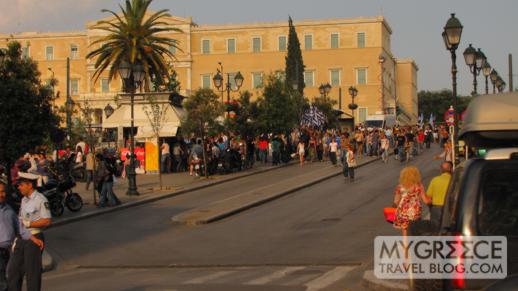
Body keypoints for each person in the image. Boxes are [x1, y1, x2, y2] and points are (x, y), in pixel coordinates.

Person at [7, 173, 49, 291]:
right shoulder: (24, 199)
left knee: (32, 273)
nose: (19, 187)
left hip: (35, 236)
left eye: (21, 185)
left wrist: (28, 224)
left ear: (29, 185)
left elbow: (46, 221)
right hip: (22, 237)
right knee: (13, 271)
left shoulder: (40, 199)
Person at [393, 167, 431, 237]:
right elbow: (425, 200)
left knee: (405, 231)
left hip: (403, 210)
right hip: (415, 210)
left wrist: (396, 208)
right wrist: (431, 200)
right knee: (416, 228)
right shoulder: (419, 186)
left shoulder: (399, 187)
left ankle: (406, 247)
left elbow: (396, 201)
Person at [426, 162, 452, 228]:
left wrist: (431, 208)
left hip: (436, 209)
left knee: (435, 229)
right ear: (451, 169)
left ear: (441, 170)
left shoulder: (435, 180)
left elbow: (428, 197)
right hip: (450, 209)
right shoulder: (454, 181)